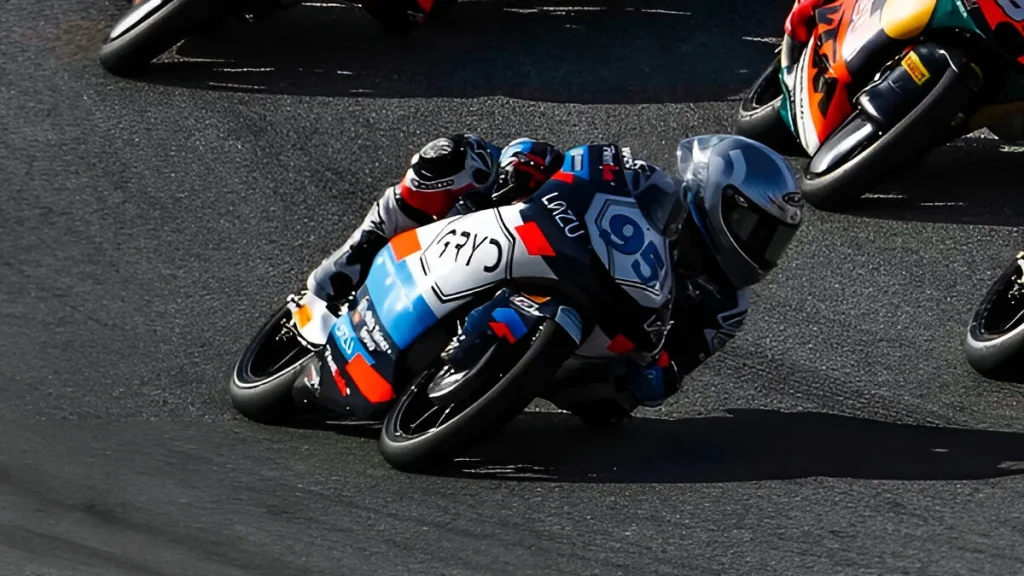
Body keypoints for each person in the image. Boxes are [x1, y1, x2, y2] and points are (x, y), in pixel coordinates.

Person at [293, 133, 805, 421]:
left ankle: (496, 376)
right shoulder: (651, 183)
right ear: (717, 197)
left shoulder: (727, 305)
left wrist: (657, 369)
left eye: (773, 241)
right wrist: (530, 162)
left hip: (599, 354)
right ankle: (341, 272)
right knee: (456, 159)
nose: (762, 250)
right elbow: (580, 167)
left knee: (614, 406)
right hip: (553, 254)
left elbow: (669, 376)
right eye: (757, 230)